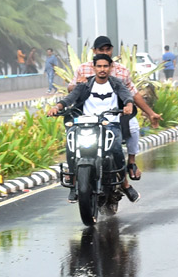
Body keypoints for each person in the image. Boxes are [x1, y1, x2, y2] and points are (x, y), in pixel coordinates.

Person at [48, 53, 139, 203]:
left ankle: (125, 184)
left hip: (110, 124)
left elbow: (126, 96)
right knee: (71, 146)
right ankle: (73, 185)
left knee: (116, 148)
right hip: (87, 124)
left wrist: (128, 105)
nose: (102, 69)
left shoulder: (116, 84)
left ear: (110, 68)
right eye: (99, 66)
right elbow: (69, 98)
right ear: (94, 68)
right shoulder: (85, 85)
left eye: (105, 66)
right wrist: (57, 107)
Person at [69, 35, 162, 181]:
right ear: (94, 52)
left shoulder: (121, 72)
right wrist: (75, 86)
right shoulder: (83, 69)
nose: (105, 53)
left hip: (115, 113)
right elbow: (71, 91)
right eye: (101, 50)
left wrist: (150, 113)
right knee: (71, 136)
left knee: (132, 128)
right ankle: (73, 173)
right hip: (88, 115)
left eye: (108, 50)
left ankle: (130, 163)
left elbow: (132, 93)